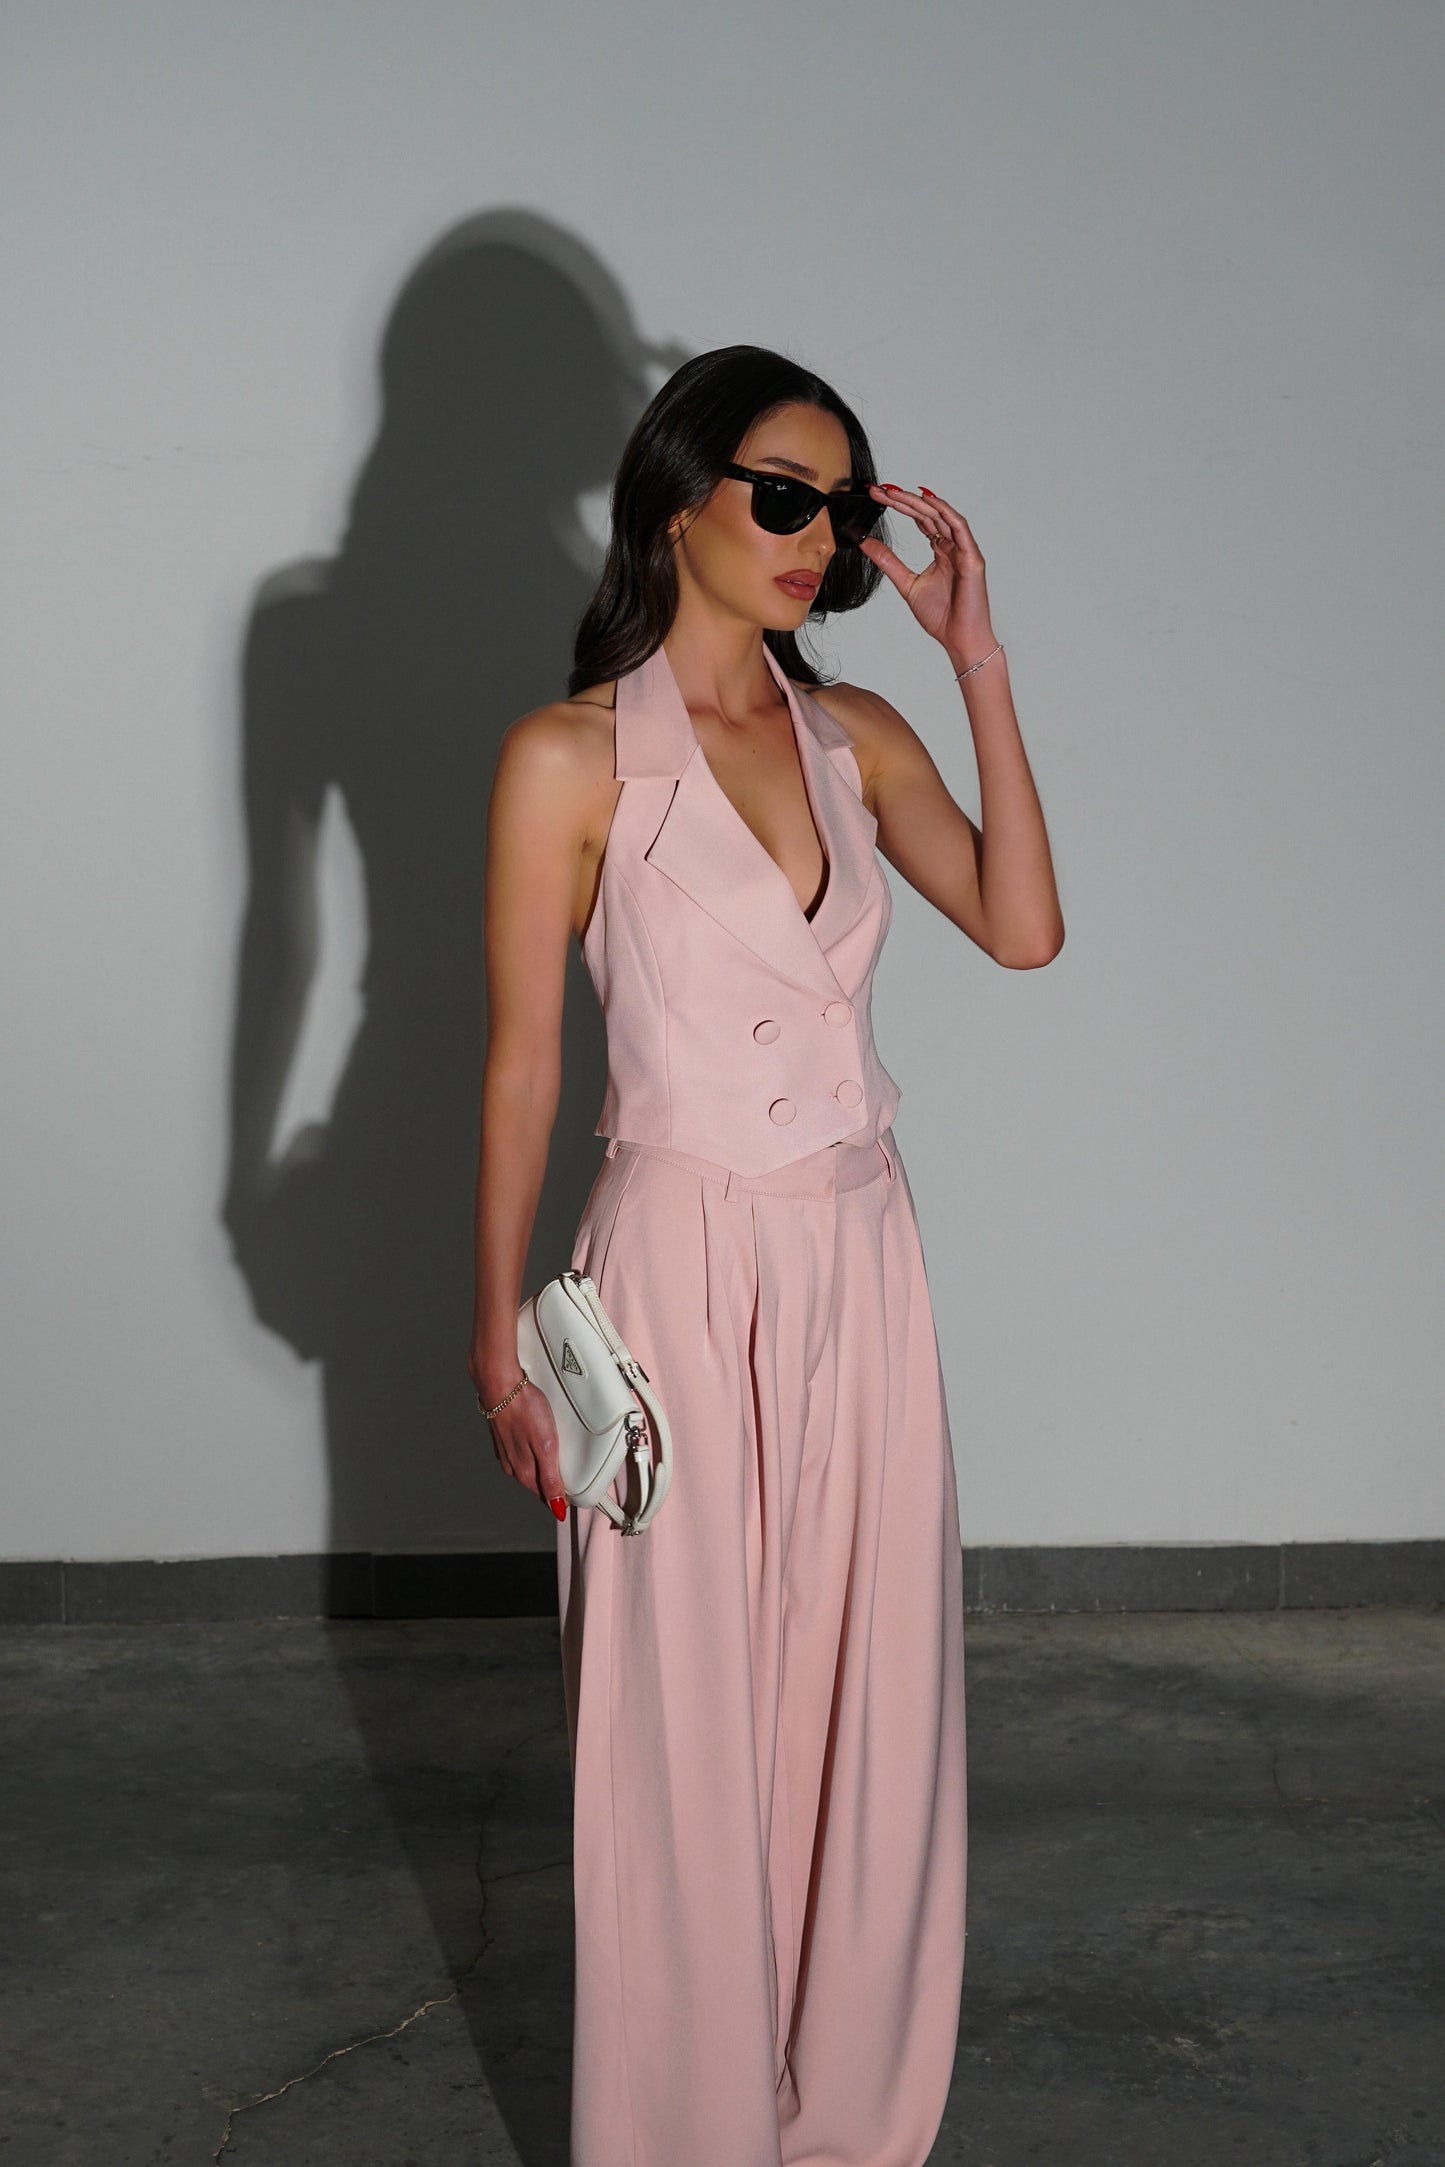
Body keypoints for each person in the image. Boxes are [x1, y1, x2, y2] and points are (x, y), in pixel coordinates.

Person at [468, 345, 1063, 2167]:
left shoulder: (853, 734)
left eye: (841, 506)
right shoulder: (568, 756)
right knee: (676, 1728)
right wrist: (496, 1342)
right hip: (674, 1259)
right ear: (678, 502)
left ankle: (850, 2128)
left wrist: (972, 659)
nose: (818, 536)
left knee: (870, 1702)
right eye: (783, 496)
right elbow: (521, 1063)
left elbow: (1023, 930)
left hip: (860, 1253)